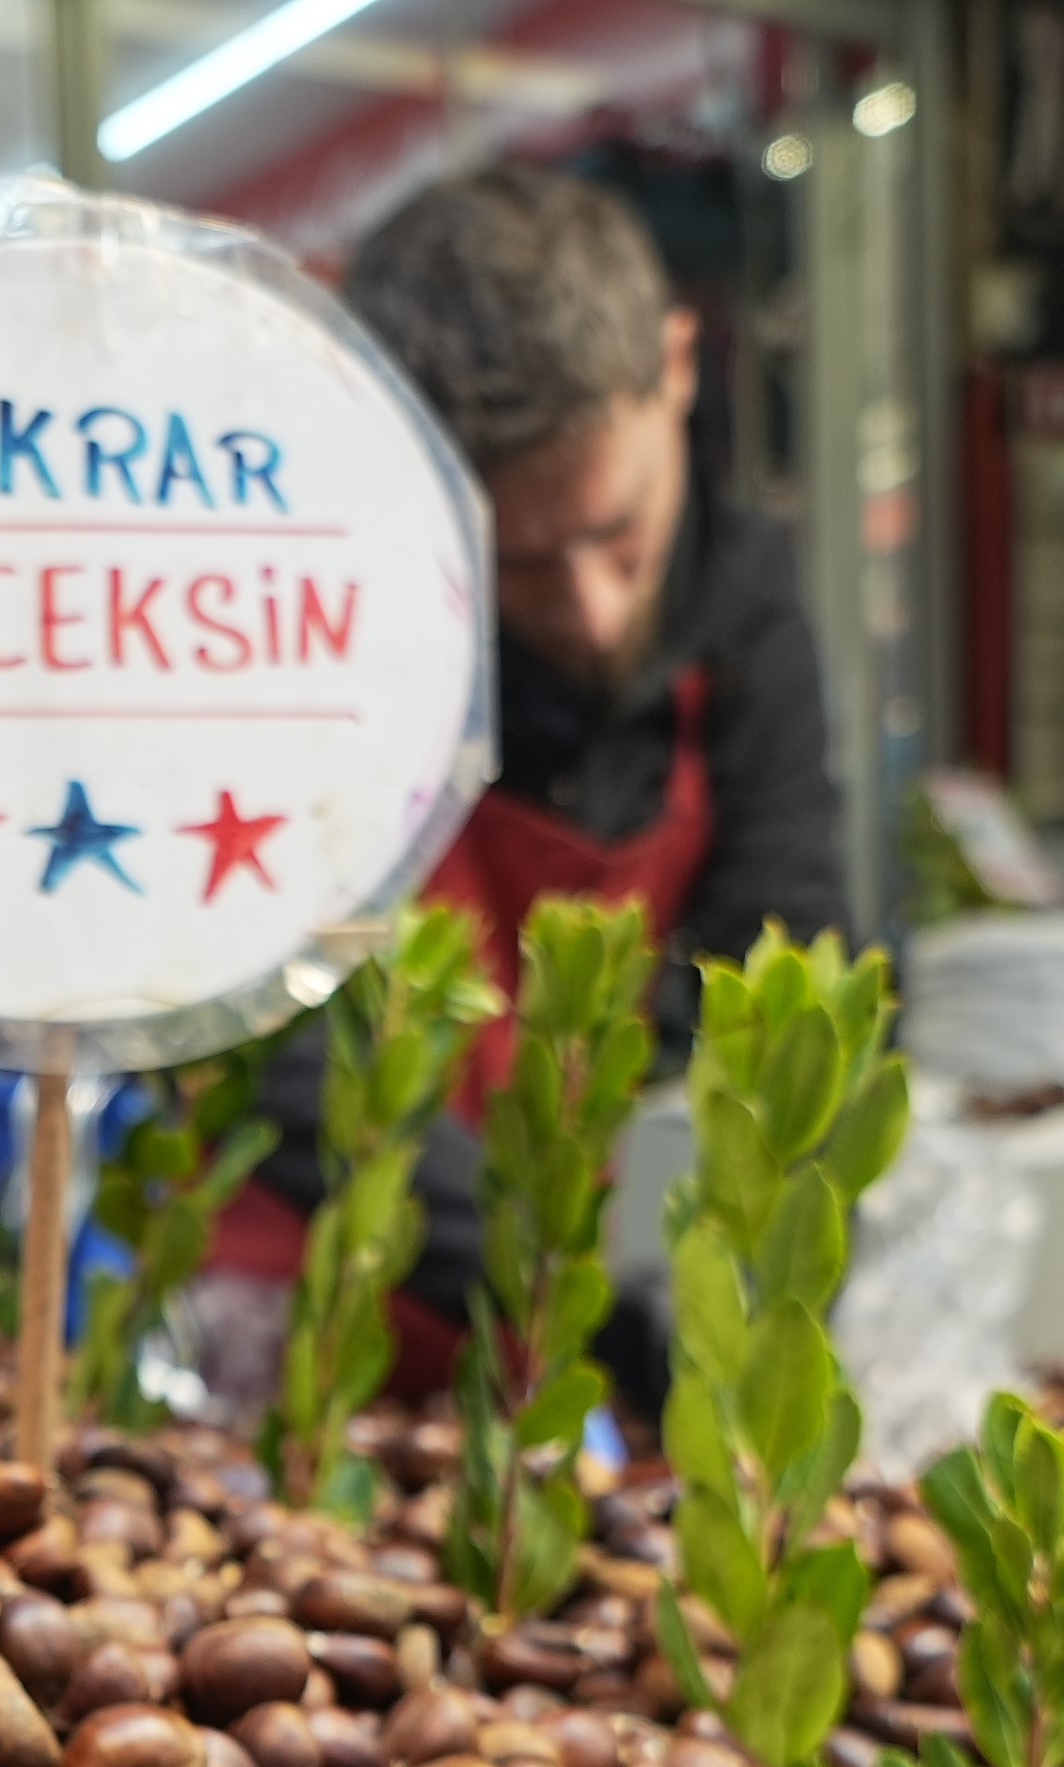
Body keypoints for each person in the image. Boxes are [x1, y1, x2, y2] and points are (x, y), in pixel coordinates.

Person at [220, 162, 854, 1403]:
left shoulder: (747, 600)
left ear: (677, 366)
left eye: (620, 533)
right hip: (336, 1324)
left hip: (623, 1293)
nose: (592, 608)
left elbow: (780, 958)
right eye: (512, 563)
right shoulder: (299, 634)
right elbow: (289, 1055)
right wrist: (566, 1306)